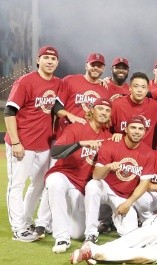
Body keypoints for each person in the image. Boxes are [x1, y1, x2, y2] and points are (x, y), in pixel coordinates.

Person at [5, 46, 64, 241]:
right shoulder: (25, 82)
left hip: (44, 145)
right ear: (38, 60)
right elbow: (9, 112)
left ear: (57, 63)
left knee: (38, 186)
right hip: (22, 143)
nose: (49, 61)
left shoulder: (57, 83)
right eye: (45, 58)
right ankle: (18, 228)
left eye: (53, 59)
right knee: (17, 185)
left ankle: (27, 220)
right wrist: (15, 142)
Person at [46, 98, 113, 253]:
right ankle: (61, 237)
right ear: (92, 110)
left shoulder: (108, 137)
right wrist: (81, 143)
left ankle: (62, 222)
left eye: (107, 110)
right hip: (65, 176)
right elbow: (55, 153)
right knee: (54, 183)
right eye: (100, 108)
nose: (103, 112)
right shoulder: (76, 128)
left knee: (77, 234)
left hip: (81, 187)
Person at [83, 115, 155, 243]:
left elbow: (144, 184)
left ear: (145, 131)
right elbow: (96, 176)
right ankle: (91, 233)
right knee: (93, 185)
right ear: (126, 129)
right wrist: (108, 167)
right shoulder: (111, 145)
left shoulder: (148, 153)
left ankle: (115, 220)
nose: (137, 131)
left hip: (124, 197)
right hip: (106, 188)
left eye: (140, 128)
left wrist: (128, 203)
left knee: (131, 236)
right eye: (133, 128)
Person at [54, 52, 111, 137]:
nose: (96, 68)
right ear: (86, 66)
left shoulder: (105, 90)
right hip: (65, 134)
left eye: (99, 66)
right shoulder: (70, 80)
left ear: (103, 69)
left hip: (88, 138)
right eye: (93, 64)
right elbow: (56, 107)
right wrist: (70, 116)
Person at [110, 72, 157, 148]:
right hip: (121, 153)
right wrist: (113, 135)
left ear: (148, 89)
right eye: (136, 86)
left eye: (143, 87)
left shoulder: (155, 106)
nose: (139, 90)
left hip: (145, 154)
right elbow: (105, 129)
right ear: (130, 88)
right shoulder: (117, 104)